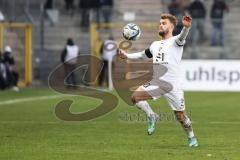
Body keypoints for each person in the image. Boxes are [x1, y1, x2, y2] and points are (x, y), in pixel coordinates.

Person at [118, 13, 198, 147]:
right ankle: (152, 116)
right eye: (160, 23)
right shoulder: (155, 44)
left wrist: (186, 28)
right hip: (157, 82)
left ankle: (191, 137)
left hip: (173, 86)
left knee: (181, 117)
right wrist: (126, 55)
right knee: (135, 97)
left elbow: (183, 36)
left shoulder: (176, 41)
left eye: (164, 23)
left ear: (172, 26)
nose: (160, 25)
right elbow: (143, 55)